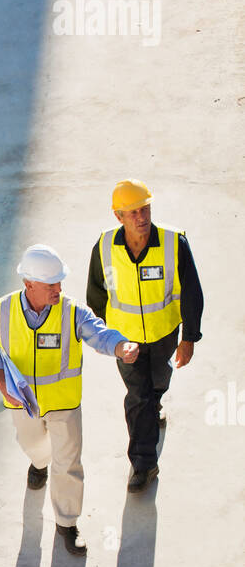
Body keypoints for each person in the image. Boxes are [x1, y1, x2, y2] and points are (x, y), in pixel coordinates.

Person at [0, 244, 139, 556]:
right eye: (51, 284)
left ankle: (67, 522)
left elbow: (99, 334)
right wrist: (1, 384)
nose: (58, 289)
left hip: (64, 404)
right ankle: (39, 463)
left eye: (60, 282)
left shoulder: (72, 311)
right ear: (29, 285)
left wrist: (121, 346)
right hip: (22, 403)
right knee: (35, 447)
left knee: (68, 462)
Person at [86, 179, 204, 491]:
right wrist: (105, 338)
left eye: (145, 209)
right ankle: (143, 464)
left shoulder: (172, 241)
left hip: (164, 333)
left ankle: (157, 403)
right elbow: (96, 294)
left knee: (157, 386)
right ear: (118, 216)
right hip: (125, 341)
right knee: (138, 397)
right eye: (133, 212)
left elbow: (192, 292)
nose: (141, 217)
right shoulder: (105, 246)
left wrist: (189, 337)